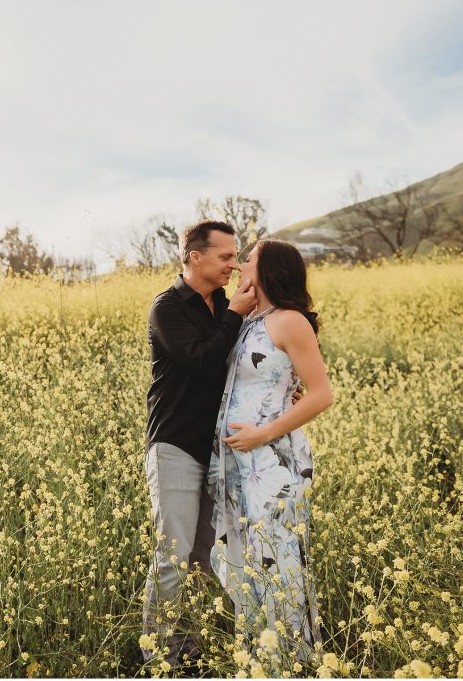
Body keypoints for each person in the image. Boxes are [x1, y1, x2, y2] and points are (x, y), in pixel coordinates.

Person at [208, 238, 333, 659]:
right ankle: (262, 656)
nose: (241, 264)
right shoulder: (249, 320)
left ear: (270, 271)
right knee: (247, 563)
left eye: (250, 259)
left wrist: (264, 434)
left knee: (277, 559)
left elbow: (321, 394)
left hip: (271, 462)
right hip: (237, 462)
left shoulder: (290, 321)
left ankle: (291, 658)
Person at [142, 220, 257, 668]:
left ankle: (185, 649)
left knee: (201, 558)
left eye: (235, 256)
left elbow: (239, 368)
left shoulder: (224, 306)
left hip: (217, 449)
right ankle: (156, 659)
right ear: (196, 257)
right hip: (175, 444)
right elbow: (205, 362)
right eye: (226, 256)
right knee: (172, 554)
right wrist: (236, 316)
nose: (233, 263)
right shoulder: (167, 307)